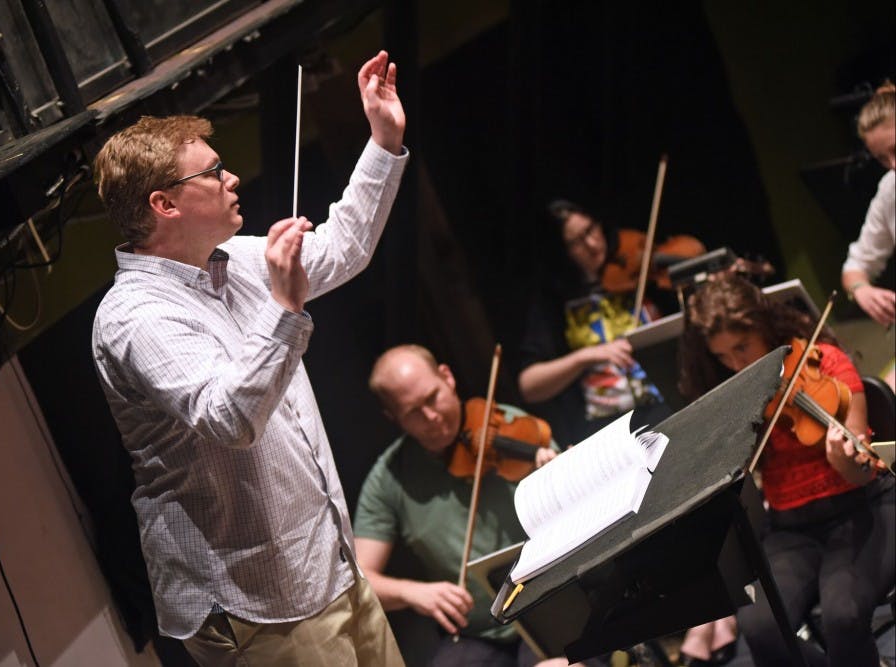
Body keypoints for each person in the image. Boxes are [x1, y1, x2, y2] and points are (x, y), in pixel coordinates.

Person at [91, 51, 408, 667]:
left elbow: (342, 248)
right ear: (164, 204)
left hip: (329, 567)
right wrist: (285, 308)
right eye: (212, 173)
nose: (232, 178)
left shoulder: (230, 258)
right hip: (259, 603)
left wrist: (383, 141)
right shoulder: (134, 317)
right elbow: (232, 418)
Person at [678, 274, 895, 667]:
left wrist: (843, 459)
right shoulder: (739, 396)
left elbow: (863, 469)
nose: (737, 364)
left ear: (764, 326)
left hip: (861, 507)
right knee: (759, 626)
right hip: (791, 527)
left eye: (742, 347)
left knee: (842, 616)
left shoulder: (825, 362)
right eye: (723, 357)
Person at [353, 344, 576, 667]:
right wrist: (414, 594)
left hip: (550, 605)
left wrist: (555, 477)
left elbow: (578, 520)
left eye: (432, 397)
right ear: (393, 418)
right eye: (413, 411)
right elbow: (362, 579)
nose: (432, 416)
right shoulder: (390, 476)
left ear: (447, 377)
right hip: (478, 632)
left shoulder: (511, 428)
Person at [517, 200, 670, 447]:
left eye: (590, 230)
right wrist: (587, 356)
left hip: (669, 402)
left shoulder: (640, 271)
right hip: (608, 429)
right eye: (575, 242)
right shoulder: (554, 302)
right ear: (561, 251)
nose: (591, 244)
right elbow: (529, 385)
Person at [841, 81, 895, 390]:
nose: (893, 166)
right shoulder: (890, 190)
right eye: (882, 159)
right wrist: (862, 290)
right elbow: (854, 266)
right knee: (882, 408)